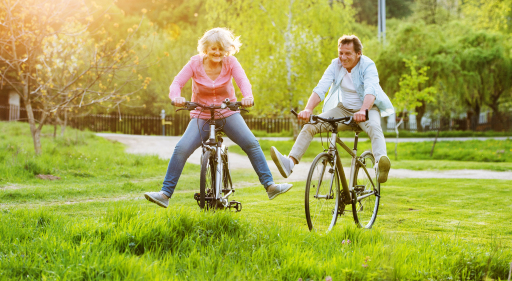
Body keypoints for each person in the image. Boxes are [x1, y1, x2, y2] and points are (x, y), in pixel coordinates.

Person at [145, 27, 292, 208]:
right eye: (213, 48)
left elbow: (243, 81)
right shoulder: (194, 63)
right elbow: (177, 83)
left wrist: (247, 97)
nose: (217, 52)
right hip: (201, 115)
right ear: (205, 48)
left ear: (227, 50)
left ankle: (270, 186)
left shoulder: (231, 63)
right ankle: (165, 194)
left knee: (251, 143)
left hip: (227, 113)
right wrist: (176, 97)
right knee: (181, 148)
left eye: (222, 48)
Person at [270, 34, 394, 183]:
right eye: (341, 53)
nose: (343, 57)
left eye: (348, 53)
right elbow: (321, 88)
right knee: (311, 125)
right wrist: (308, 109)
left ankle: (380, 164)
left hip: (367, 109)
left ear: (358, 54)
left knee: (374, 127)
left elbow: (371, 89)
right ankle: (289, 163)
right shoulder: (335, 65)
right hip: (344, 110)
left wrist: (363, 110)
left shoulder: (368, 65)